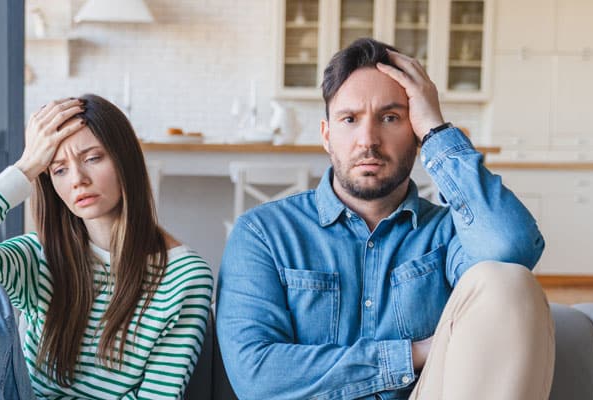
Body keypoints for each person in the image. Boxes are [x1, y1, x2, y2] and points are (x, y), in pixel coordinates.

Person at [216, 38, 555, 400]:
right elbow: (257, 375)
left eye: (390, 118)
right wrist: (415, 353)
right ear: (327, 136)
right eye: (349, 119)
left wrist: (437, 131)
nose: (368, 140)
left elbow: (512, 247)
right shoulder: (263, 233)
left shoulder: (447, 233)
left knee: (508, 280)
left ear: (415, 133)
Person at [0, 94, 214, 399]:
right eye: (59, 169)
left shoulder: (185, 277)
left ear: (124, 159)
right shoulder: (41, 256)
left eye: (92, 158)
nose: (78, 179)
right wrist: (26, 167)